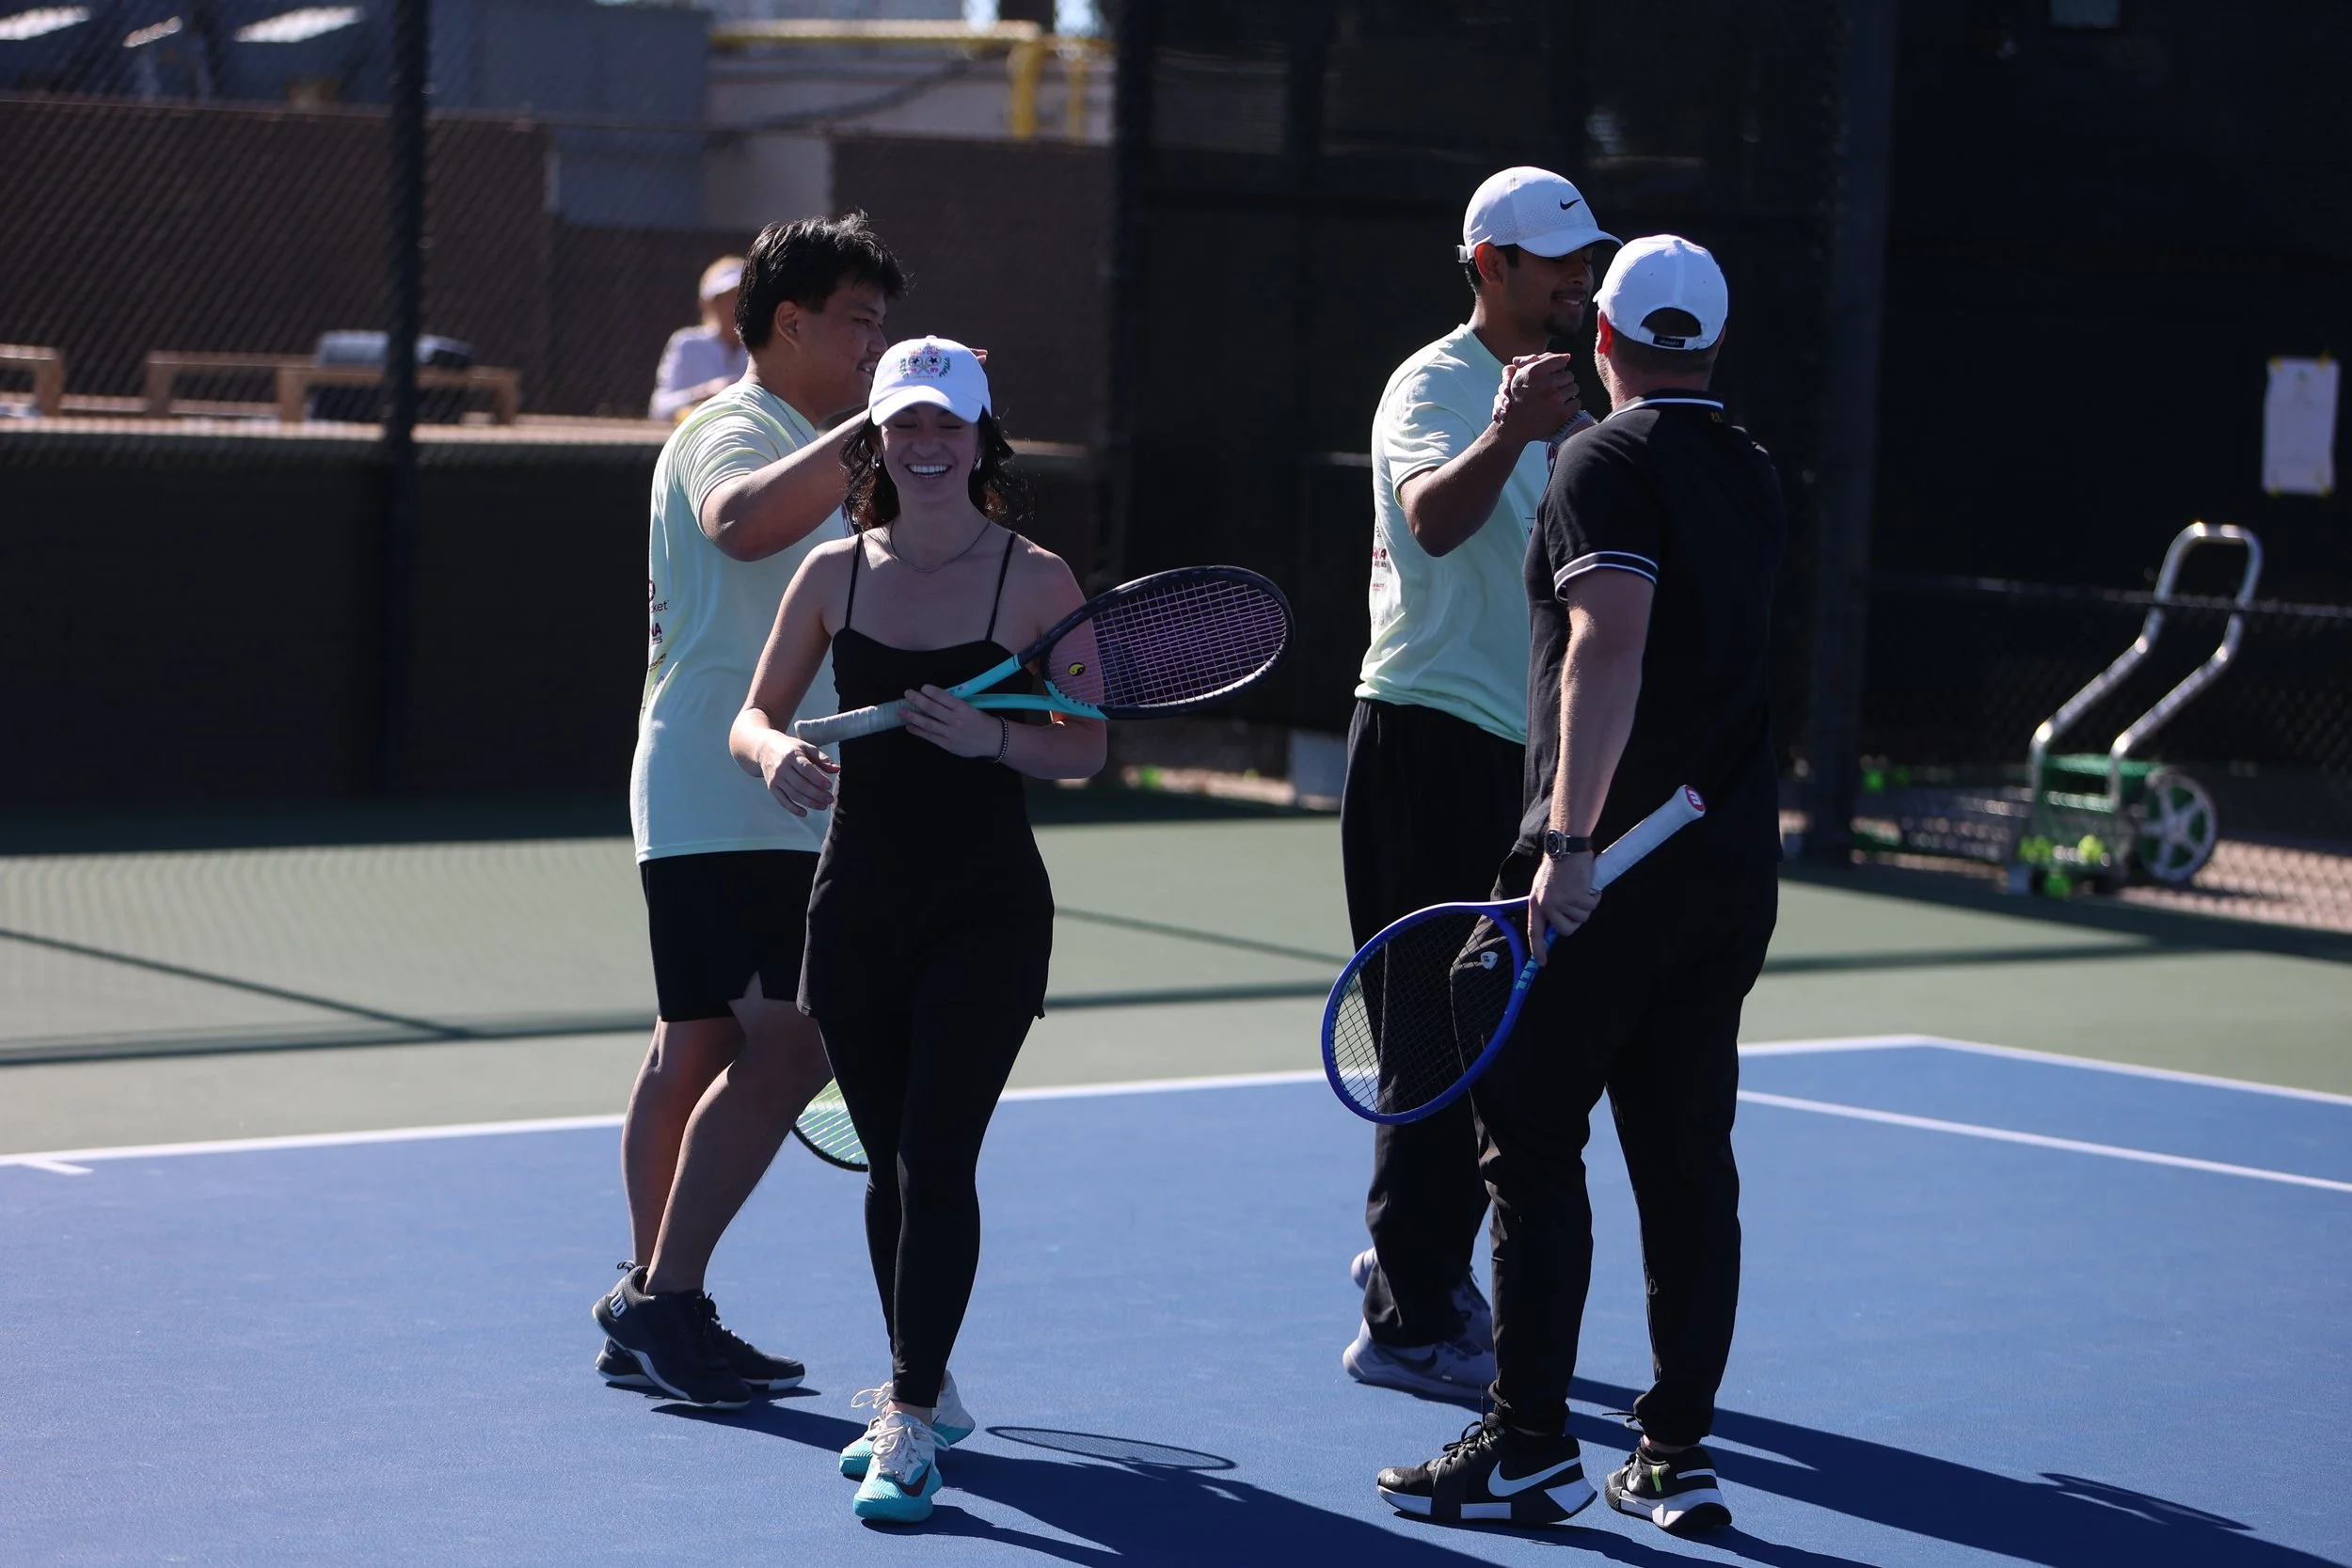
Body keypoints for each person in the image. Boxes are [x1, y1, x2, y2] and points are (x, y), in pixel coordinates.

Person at [1375, 236, 1783, 1536]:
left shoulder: (1604, 457)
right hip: (1726, 882)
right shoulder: (1754, 469)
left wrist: (1568, 841)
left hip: (1607, 873)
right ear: (1712, 343)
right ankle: (1673, 1452)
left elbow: (1607, 640)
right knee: (1686, 1158)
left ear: (1603, 336)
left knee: (1533, 1152)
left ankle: (1530, 1441)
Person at [730, 337, 1105, 1525]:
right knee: (890, 1165)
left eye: (948, 427)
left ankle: (904, 1409)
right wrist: (778, 750)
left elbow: (1086, 748)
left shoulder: (1038, 582)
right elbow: (751, 714)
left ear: (981, 438)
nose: (927, 448)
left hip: (987, 912)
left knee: (937, 1158)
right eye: (906, 427)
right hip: (855, 910)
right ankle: (928, 1384)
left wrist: (990, 738)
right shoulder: (833, 573)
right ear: (878, 440)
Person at [595, 214, 904, 1410]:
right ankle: (662, 1297)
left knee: (701, 1044)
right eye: (862, 323)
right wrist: (879, 423)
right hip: (730, 786)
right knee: (791, 1041)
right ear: (789, 323)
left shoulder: (816, 443)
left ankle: (648, 1299)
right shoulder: (732, 425)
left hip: (745, 786)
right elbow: (741, 521)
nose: (879, 346)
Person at [1341, 166, 1613, 1402]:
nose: (1578, 277)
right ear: (1489, 264)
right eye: (1556, 259)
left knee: (1488, 1026)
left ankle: (1419, 1259)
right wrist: (1512, 426)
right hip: (1426, 738)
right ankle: (1405, 1323)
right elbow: (1432, 521)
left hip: (1522, 756)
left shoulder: (1583, 397)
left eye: (1585, 259)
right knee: (1432, 1037)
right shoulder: (1437, 384)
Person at [649, 256, 751, 421]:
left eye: (741, 296)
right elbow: (659, 409)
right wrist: (704, 392)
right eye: (726, 297)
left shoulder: (767, 345)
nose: (734, 305)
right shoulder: (686, 344)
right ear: (708, 303)